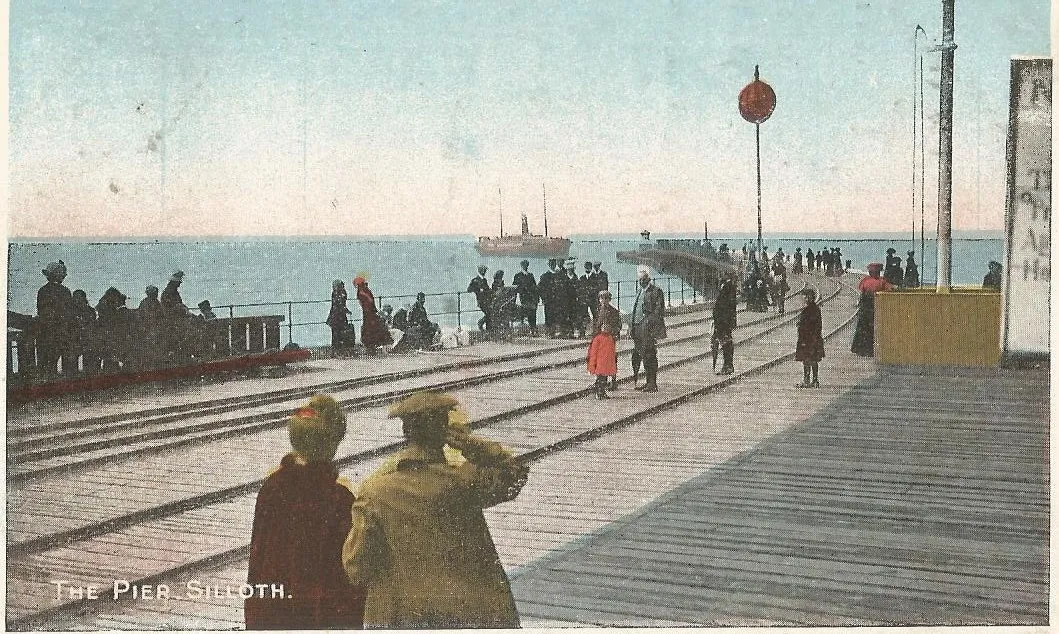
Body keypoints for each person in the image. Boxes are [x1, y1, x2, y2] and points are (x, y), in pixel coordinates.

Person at [343, 392, 527, 629]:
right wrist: (473, 445)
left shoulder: (376, 491)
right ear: (445, 433)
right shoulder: (465, 481)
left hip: (404, 618)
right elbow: (514, 475)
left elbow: (356, 568)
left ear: (406, 432)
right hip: (471, 614)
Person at [246, 395, 365, 629]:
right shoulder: (339, 496)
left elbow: (259, 554)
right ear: (334, 442)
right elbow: (346, 567)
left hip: (271, 609)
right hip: (317, 613)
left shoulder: (272, 486)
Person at [629, 266, 667, 391]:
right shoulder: (639, 291)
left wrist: (649, 325)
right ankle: (647, 381)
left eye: (643, 279)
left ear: (648, 278)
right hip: (637, 328)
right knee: (642, 355)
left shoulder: (656, 291)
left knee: (650, 355)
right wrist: (631, 326)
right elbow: (635, 310)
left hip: (648, 330)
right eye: (639, 279)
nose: (641, 281)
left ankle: (652, 383)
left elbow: (658, 312)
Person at [36, 260, 73, 377]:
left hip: (46, 332)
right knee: (65, 362)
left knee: (47, 363)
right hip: (62, 332)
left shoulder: (42, 290)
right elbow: (69, 313)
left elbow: (41, 312)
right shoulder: (65, 291)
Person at [851, 263, 894, 356]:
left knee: (863, 328)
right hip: (875, 307)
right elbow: (890, 290)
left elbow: (862, 293)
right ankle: (871, 350)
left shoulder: (865, 281)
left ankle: (861, 349)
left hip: (865, 307)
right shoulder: (882, 281)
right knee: (872, 329)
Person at [587, 290, 622, 398]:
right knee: (598, 363)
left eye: (606, 298)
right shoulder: (597, 311)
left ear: (609, 299)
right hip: (598, 340)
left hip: (608, 341)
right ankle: (600, 387)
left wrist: (612, 332)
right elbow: (594, 325)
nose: (604, 301)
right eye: (602, 298)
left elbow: (618, 326)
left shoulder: (614, 312)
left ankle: (605, 385)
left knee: (606, 364)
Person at [352, 276, 392, 353]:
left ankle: (371, 345)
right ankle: (376, 344)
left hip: (368, 313)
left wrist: (367, 309)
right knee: (373, 328)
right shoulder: (366, 290)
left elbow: (366, 302)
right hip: (371, 312)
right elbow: (370, 301)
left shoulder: (361, 291)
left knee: (369, 329)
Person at [795, 288, 824, 387]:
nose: (803, 298)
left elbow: (808, 325)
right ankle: (815, 380)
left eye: (805, 296)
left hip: (807, 338)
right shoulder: (815, 309)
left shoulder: (808, 310)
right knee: (813, 359)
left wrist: (800, 326)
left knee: (807, 360)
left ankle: (807, 380)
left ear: (809, 298)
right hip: (814, 338)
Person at [69, 289, 99, 375]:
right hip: (75, 341)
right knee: (72, 365)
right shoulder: (71, 311)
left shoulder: (90, 311)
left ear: (84, 299)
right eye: (75, 298)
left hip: (87, 341)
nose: (77, 300)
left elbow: (91, 325)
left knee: (89, 365)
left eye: (79, 298)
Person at [711, 277, 738, 375]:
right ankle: (728, 365)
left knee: (726, 342)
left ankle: (728, 366)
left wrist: (720, 320)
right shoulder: (728, 287)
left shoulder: (728, 287)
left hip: (723, 321)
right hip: (723, 320)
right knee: (726, 342)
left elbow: (724, 306)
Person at [512, 260, 539, 336]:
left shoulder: (530, 275)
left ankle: (532, 329)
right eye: (524, 265)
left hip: (531, 298)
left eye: (526, 265)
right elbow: (515, 287)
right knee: (523, 314)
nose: (525, 266)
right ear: (521, 266)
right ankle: (524, 330)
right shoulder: (518, 275)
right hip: (523, 298)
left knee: (532, 314)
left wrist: (536, 298)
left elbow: (534, 287)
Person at [326, 280, 352, 350]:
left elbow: (338, 305)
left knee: (336, 334)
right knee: (340, 334)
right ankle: (340, 349)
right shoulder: (341, 293)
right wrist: (345, 310)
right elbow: (341, 304)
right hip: (339, 317)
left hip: (335, 317)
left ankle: (336, 349)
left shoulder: (335, 293)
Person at [467, 265, 493, 332]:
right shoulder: (475, 280)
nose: (484, 272)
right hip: (481, 301)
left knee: (490, 313)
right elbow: (469, 289)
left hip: (487, 301)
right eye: (483, 270)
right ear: (480, 271)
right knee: (489, 313)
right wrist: (478, 289)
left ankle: (488, 328)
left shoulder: (484, 280)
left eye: (485, 270)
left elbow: (487, 289)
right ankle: (481, 323)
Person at [537, 259, 559, 337]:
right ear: (549, 264)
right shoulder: (545, 276)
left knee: (557, 315)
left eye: (554, 263)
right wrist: (544, 298)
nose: (552, 265)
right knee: (549, 316)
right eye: (551, 263)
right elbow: (540, 288)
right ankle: (549, 332)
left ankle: (555, 331)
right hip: (549, 300)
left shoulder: (558, 274)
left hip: (557, 300)